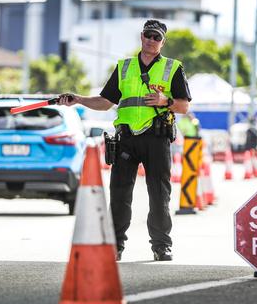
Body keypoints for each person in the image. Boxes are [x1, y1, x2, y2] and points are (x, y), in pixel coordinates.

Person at [58, 19, 191, 261]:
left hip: (156, 138)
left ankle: (161, 246)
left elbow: (184, 106)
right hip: (126, 138)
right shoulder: (124, 67)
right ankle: (115, 245)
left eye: (157, 37)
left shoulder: (173, 68)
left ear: (163, 42)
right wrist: (78, 99)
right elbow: (105, 101)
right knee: (119, 194)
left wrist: (165, 102)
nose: (152, 40)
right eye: (148, 35)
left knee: (159, 194)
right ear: (141, 36)